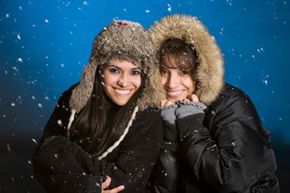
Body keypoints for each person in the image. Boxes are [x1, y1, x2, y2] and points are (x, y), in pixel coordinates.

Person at [148, 14, 280, 193]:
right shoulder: (162, 110)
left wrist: (190, 123)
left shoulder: (230, 104)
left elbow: (229, 181)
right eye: (164, 72)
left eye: (183, 72)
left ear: (200, 71)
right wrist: (170, 139)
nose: (171, 84)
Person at [32, 20, 164, 193]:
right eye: (115, 70)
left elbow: (127, 181)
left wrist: (66, 150)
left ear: (144, 74)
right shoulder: (73, 98)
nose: (124, 82)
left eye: (134, 72)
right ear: (99, 69)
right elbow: (42, 159)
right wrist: (84, 186)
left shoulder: (148, 114)